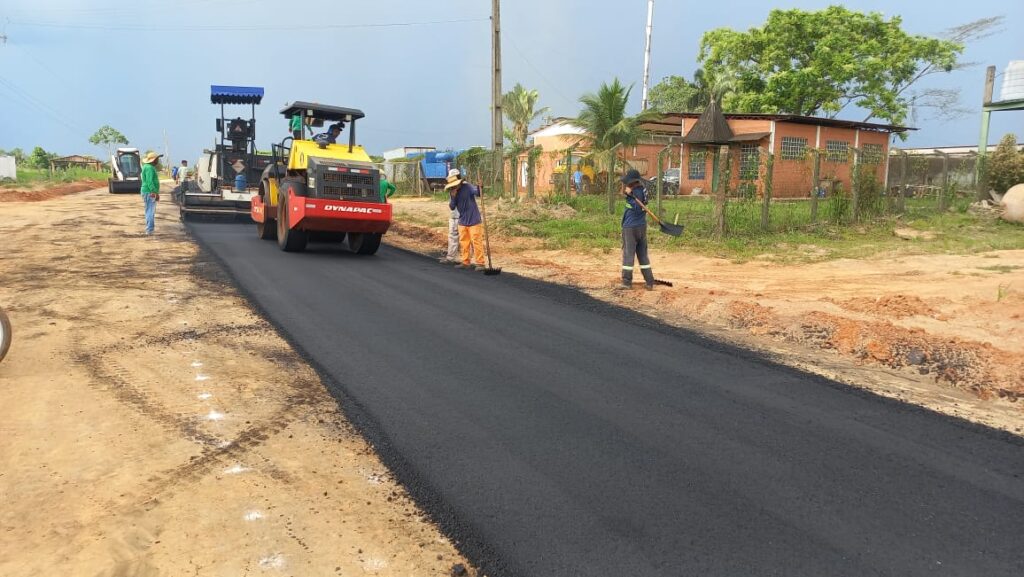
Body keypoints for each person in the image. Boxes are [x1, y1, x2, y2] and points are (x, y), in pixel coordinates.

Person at [618, 168, 655, 290]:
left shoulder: (636, 194)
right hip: (641, 226)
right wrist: (629, 194)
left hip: (631, 227)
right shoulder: (641, 190)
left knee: (628, 254)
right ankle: (649, 281)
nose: (625, 185)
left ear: (632, 183)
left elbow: (636, 207)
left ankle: (626, 281)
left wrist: (630, 195)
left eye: (627, 183)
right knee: (642, 254)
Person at [445, 169, 485, 270]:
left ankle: (480, 263)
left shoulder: (467, 187)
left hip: (474, 219)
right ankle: (465, 262)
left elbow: (478, 193)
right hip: (462, 221)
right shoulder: (452, 191)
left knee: (476, 241)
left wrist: (480, 187)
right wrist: (453, 197)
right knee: (464, 242)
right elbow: (452, 207)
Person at [140, 151, 162, 235]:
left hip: (147, 191)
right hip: (149, 192)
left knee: (149, 210)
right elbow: (149, 182)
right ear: (154, 160)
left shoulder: (147, 166)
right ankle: (149, 230)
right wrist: (154, 192)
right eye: (157, 159)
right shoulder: (149, 168)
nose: (158, 161)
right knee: (150, 211)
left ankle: (149, 229)